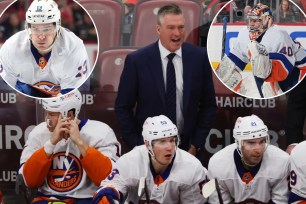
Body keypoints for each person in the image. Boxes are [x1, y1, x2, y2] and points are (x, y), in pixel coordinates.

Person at [115, 3, 217, 164]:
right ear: (158, 29)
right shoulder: (137, 61)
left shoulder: (199, 57)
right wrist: (139, 146)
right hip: (150, 154)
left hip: (189, 152)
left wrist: (195, 145)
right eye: (171, 27)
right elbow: (123, 107)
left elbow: (209, 106)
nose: (177, 33)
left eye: (181, 27)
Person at [18, 90, 121, 203]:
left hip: (88, 199)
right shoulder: (38, 132)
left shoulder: (101, 132)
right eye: (46, 113)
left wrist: (80, 142)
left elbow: (110, 179)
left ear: (70, 114)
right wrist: (51, 143)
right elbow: (29, 181)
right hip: (47, 198)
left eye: (52, 114)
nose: (47, 120)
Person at [92, 115, 208, 204]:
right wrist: (108, 195)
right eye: (162, 141)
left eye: (172, 140)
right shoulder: (131, 161)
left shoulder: (192, 167)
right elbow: (110, 186)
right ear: (147, 145)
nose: (169, 147)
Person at [0, 0, 90, 98]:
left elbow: (75, 96)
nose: (41, 36)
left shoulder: (73, 47)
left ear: (57, 27)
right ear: (28, 28)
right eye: (35, 29)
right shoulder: (11, 47)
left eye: (46, 29)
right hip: (24, 101)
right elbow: (5, 94)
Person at [215, 3, 306, 98]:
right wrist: (224, 75)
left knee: (266, 81)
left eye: (256, 20)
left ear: (267, 20)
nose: (251, 23)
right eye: (250, 20)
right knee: (229, 72)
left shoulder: (278, 35)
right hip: (272, 71)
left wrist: (263, 67)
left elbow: (282, 71)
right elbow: (234, 60)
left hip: (300, 71)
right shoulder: (244, 33)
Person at [207, 115, 290, 203]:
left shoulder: (282, 161)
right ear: (238, 143)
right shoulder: (218, 163)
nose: (259, 150)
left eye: (262, 142)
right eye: (251, 143)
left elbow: (280, 201)